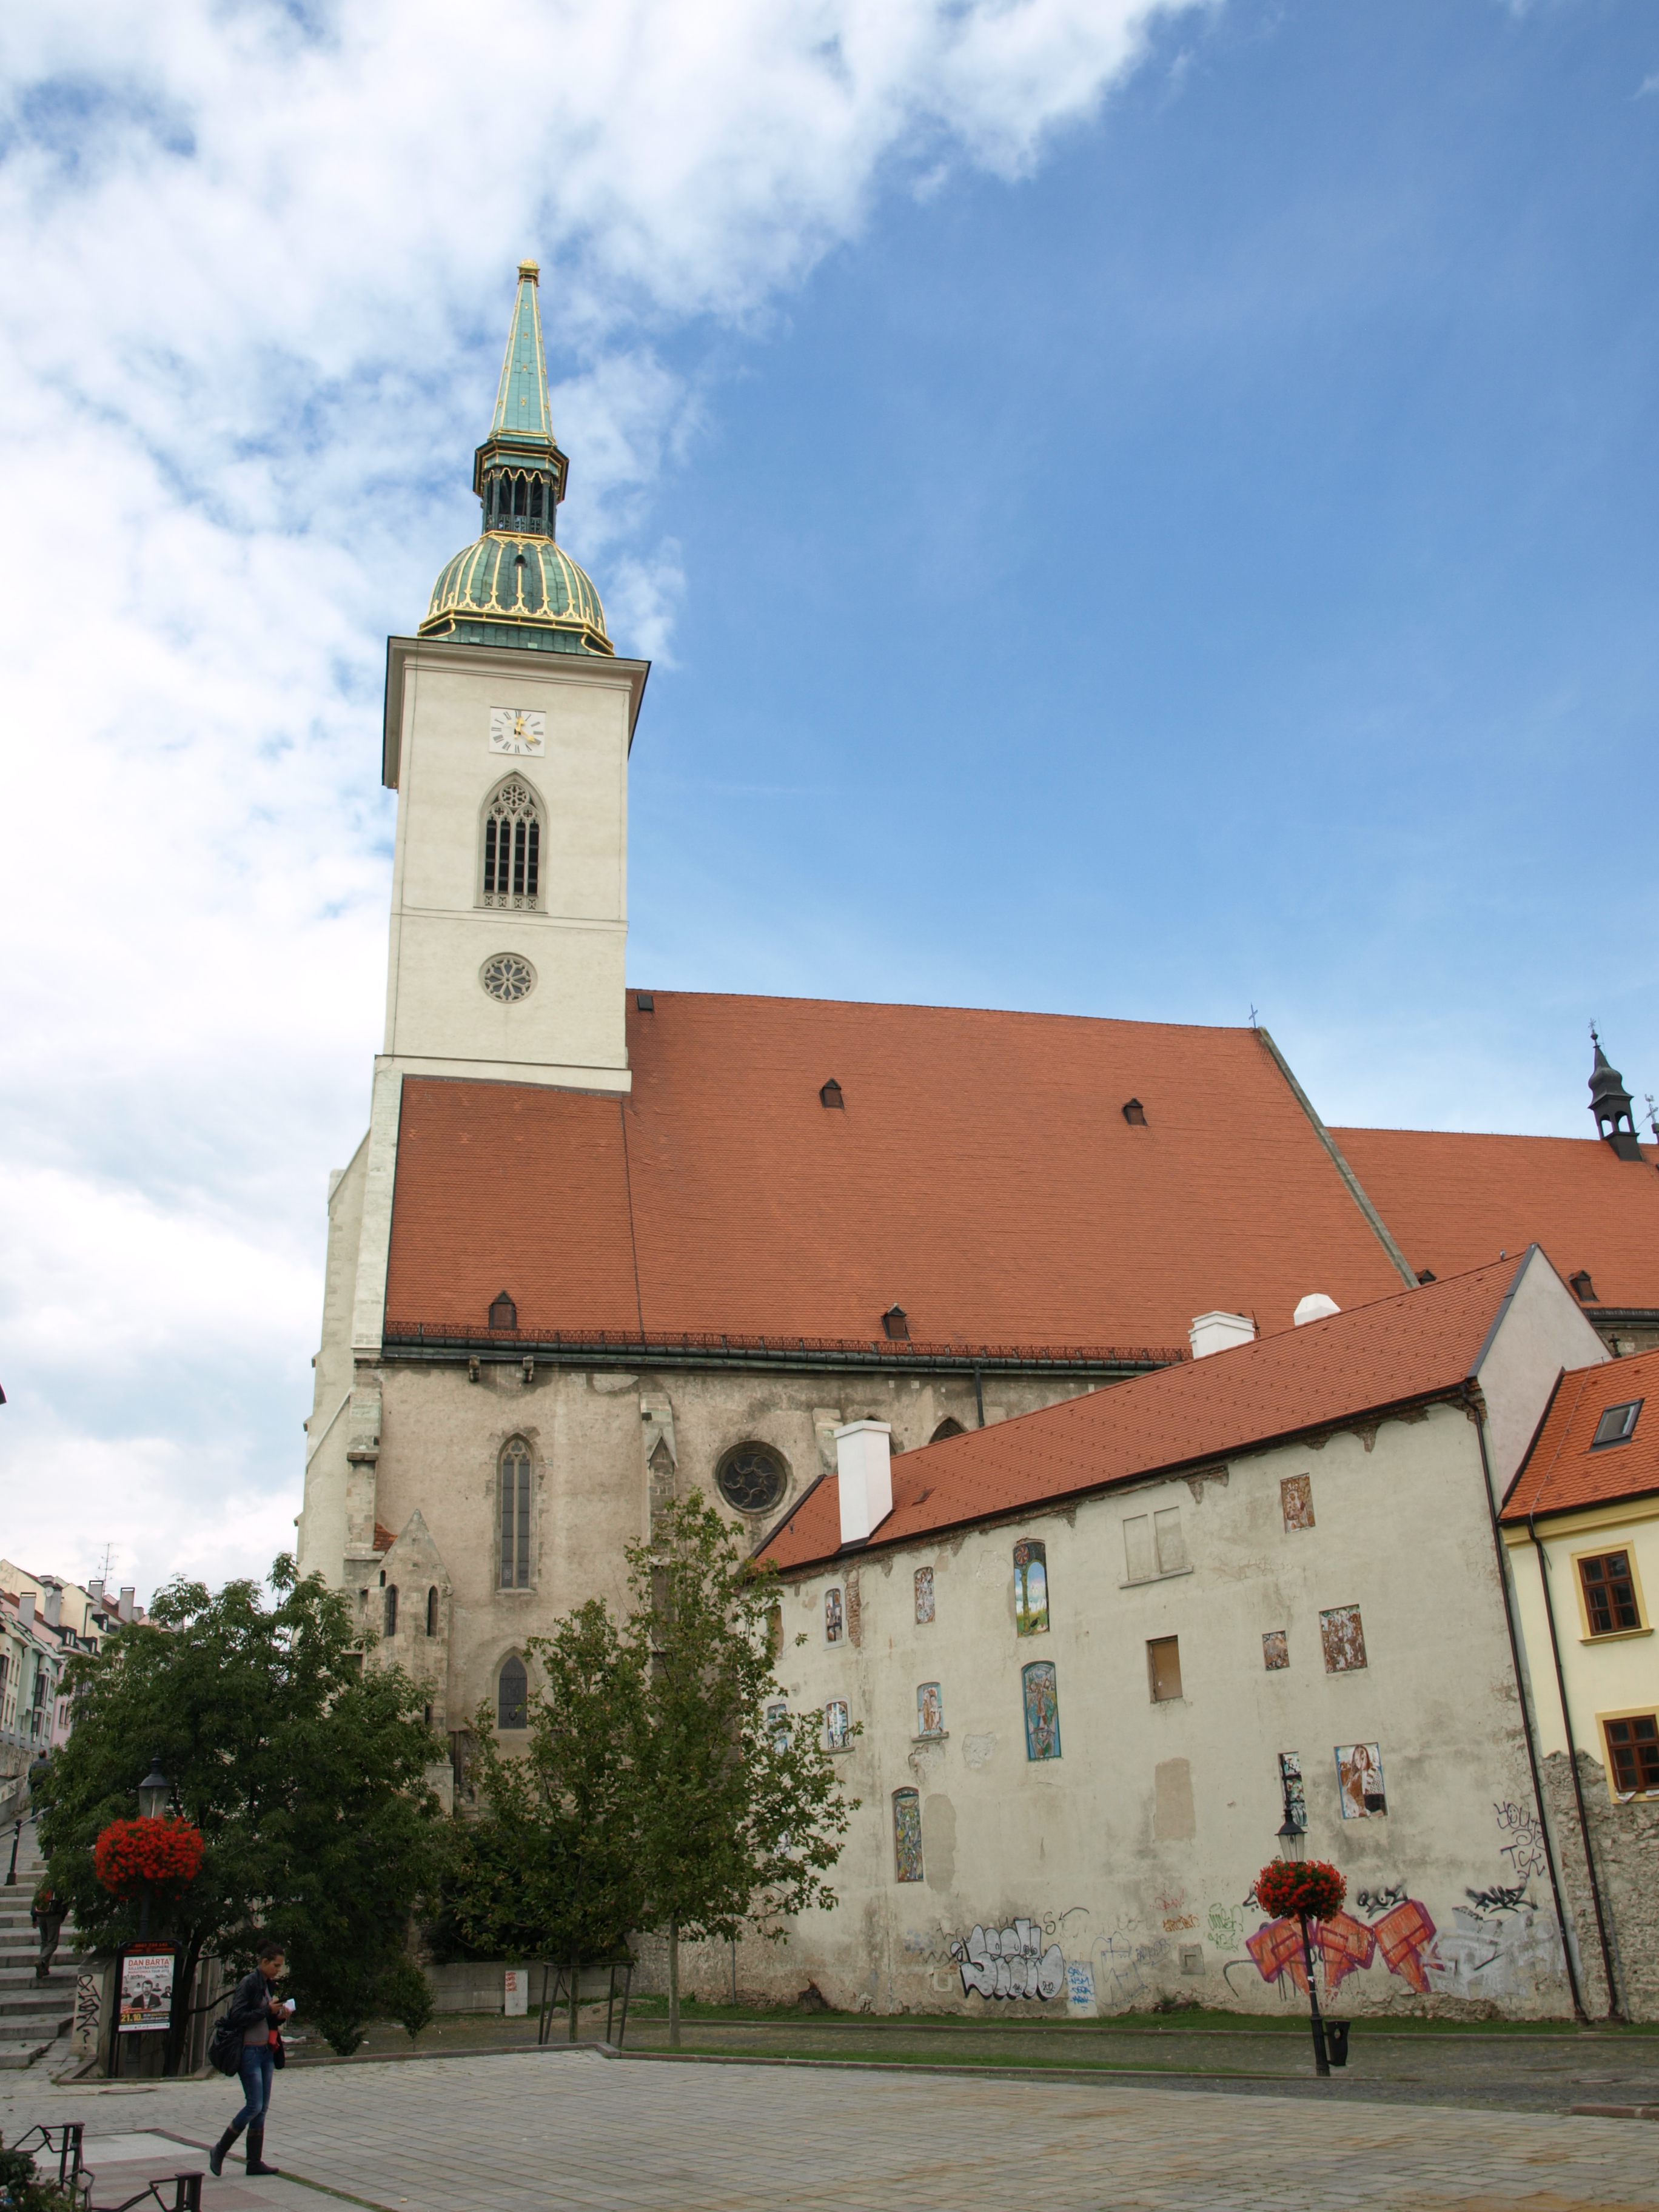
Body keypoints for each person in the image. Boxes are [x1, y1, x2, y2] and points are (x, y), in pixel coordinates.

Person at [208, 1938, 292, 2177]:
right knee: (254, 2104)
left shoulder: (268, 1985)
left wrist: (278, 2016)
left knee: (262, 2107)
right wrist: (267, 2010)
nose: (279, 1970)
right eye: (276, 1966)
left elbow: (265, 2017)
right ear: (264, 1962)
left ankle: (254, 2161)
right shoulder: (249, 1983)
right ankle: (220, 2149)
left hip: (266, 2050)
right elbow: (238, 2015)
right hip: (249, 2051)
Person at [29, 1882, 66, 1982]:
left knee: (44, 1941)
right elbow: (65, 1901)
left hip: (41, 1915)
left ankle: (44, 1969)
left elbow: (35, 1900)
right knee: (52, 1943)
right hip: (53, 1916)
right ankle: (42, 1961)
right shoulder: (59, 1884)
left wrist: (34, 1917)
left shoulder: (42, 1884)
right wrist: (62, 1915)